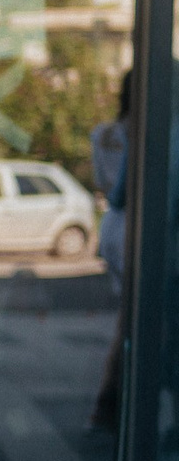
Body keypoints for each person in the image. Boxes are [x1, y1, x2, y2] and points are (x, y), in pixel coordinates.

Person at [90, 70, 131, 431]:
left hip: (112, 224)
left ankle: (111, 401)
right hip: (133, 223)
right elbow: (120, 189)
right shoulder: (143, 131)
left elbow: (102, 184)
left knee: (128, 316)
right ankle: (109, 401)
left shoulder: (103, 134)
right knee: (132, 319)